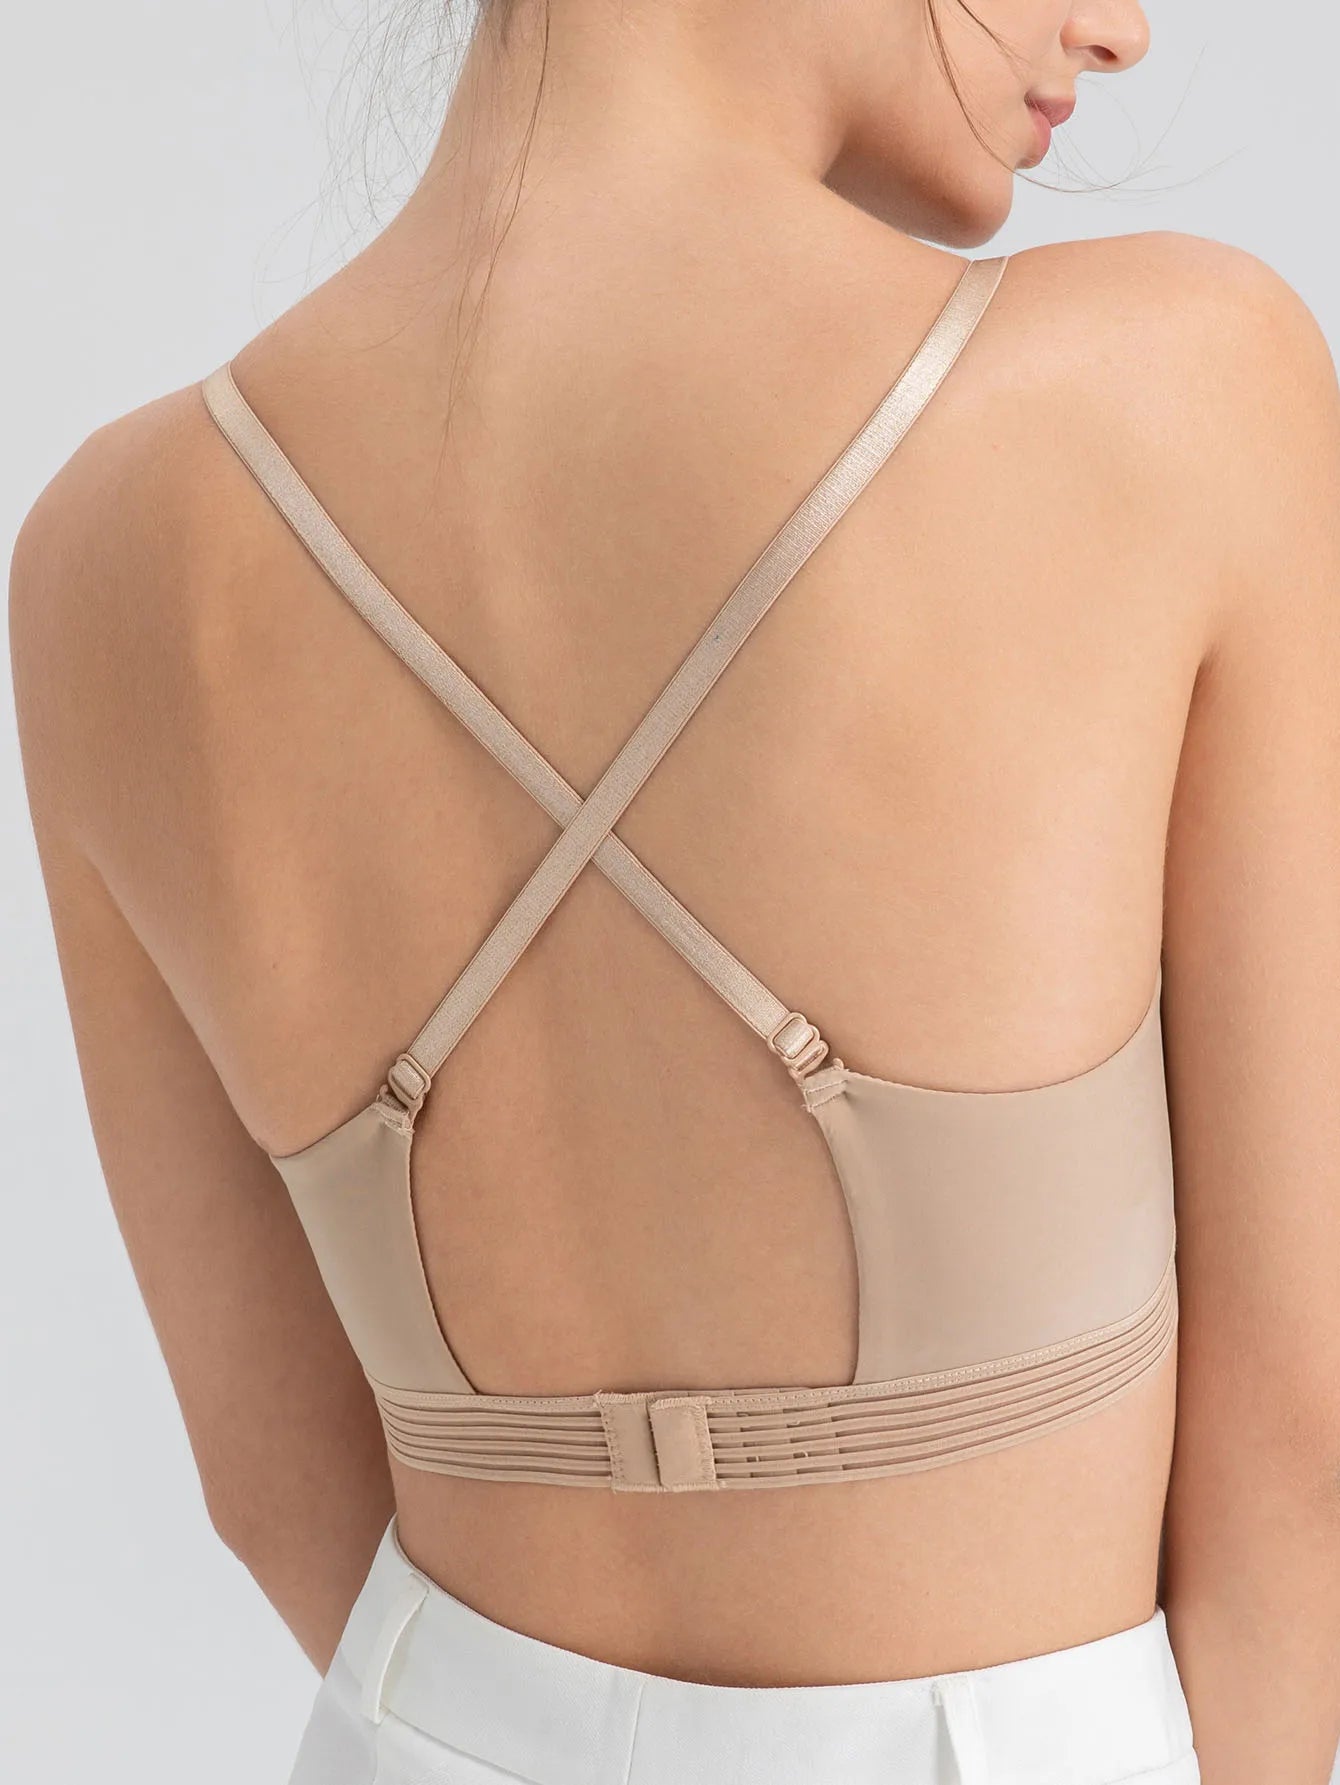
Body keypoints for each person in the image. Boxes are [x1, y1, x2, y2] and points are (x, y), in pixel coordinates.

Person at [10, 1, 1340, 1780]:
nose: (1118, 31)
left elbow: (269, 1473)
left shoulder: (110, 551)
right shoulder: (1173, 388)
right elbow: (1302, 1454)